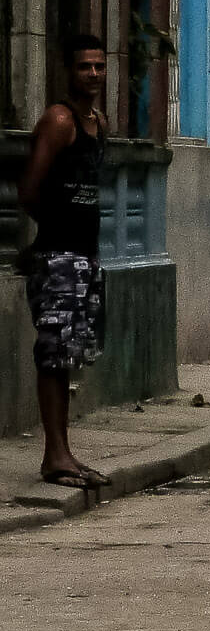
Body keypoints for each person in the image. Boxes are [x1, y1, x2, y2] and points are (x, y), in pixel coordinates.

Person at [18, 34, 111, 490]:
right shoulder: (60, 120)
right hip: (58, 259)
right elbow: (30, 190)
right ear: (68, 73)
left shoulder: (99, 122)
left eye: (99, 66)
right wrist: (53, 239)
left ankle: (64, 452)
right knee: (53, 356)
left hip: (85, 260)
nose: (92, 74)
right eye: (84, 67)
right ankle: (55, 456)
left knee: (67, 356)